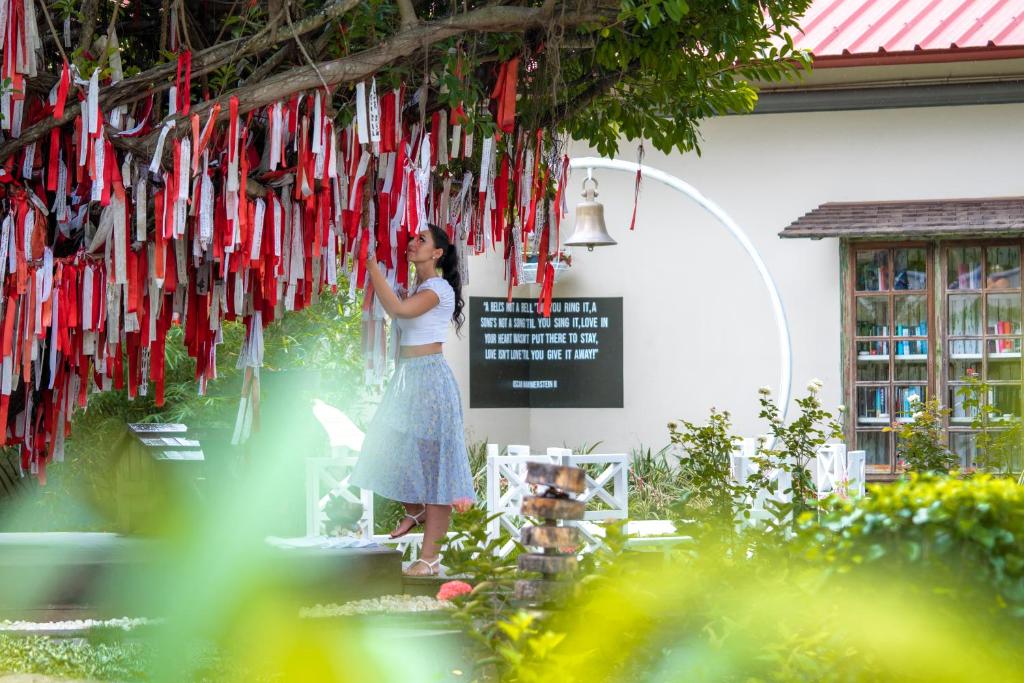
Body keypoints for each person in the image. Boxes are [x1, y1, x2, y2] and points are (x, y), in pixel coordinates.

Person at [351, 223, 476, 576]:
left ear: (437, 253)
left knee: (436, 470)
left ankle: (430, 559)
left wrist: (371, 265)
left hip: (431, 380)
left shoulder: (438, 288)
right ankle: (415, 509)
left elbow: (399, 311)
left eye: (422, 240)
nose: (413, 243)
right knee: (384, 445)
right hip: (407, 379)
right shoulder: (419, 289)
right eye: (413, 238)